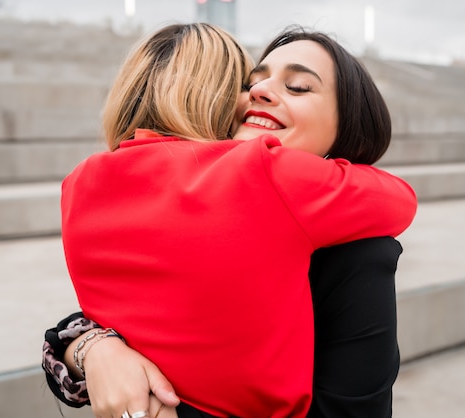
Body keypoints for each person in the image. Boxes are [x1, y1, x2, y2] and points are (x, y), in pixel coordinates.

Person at [43, 23, 416, 418]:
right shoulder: (259, 173)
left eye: (300, 87)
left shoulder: (79, 182)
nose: (257, 93)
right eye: (249, 83)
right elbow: (400, 199)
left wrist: (85, 345)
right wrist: (93, 347)